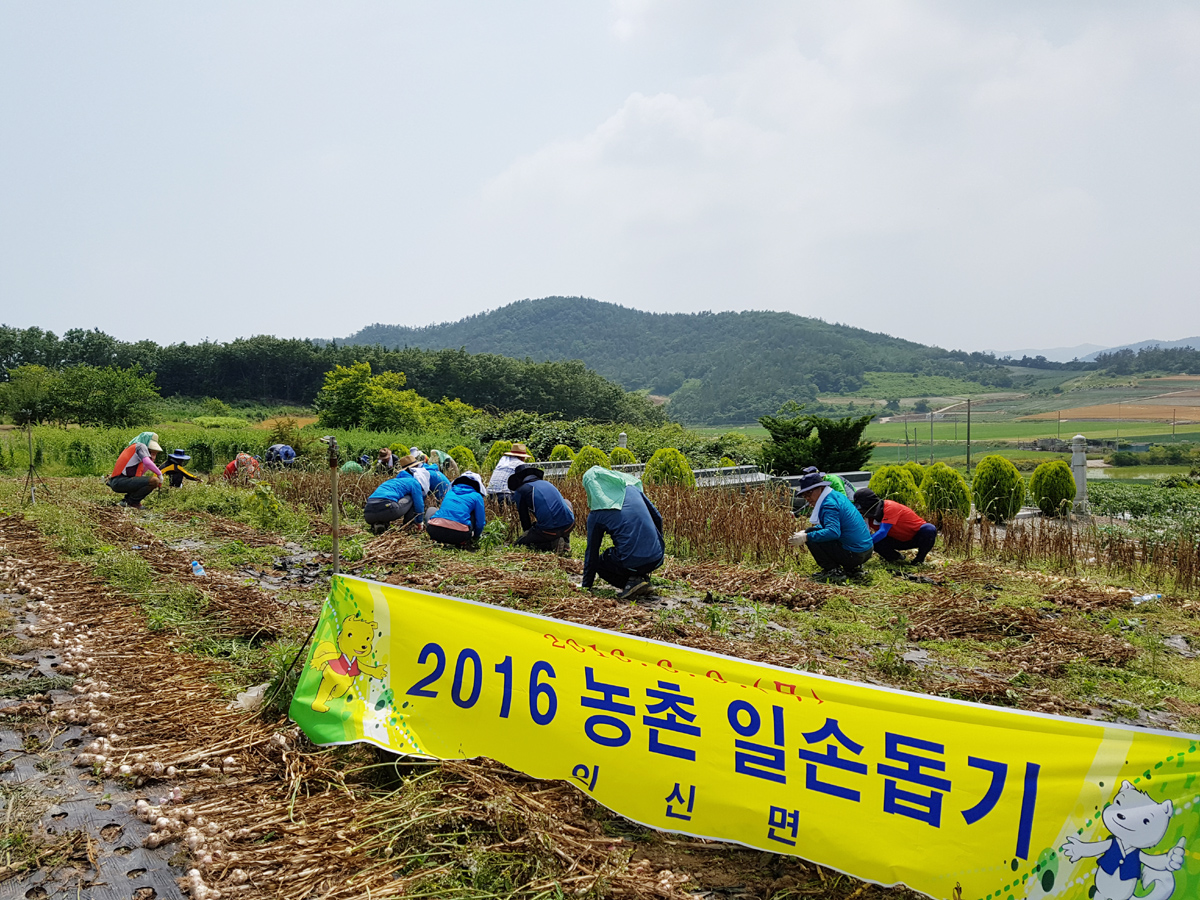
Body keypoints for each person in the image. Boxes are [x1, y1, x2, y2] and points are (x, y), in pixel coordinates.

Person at [581, 466, 664, 600]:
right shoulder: (633, 490)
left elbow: (592, 553)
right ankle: (639, 578)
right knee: (632, 557)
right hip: (657, 558)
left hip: (632, 561)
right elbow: (658, 518)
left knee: (601, 562)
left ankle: (631, 584)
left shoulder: (597, 513)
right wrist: (658, 547)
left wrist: (586, 586)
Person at [788, 470, 874, 584]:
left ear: (820, 488)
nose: (807, 498)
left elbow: (833, 532)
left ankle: (833, 571)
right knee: (812, 532)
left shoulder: (828, 505)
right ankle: (852, 569)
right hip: (866, 550)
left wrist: (806, 536)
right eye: (804, 495)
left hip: (855, 554)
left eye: (809, 493)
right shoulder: (835, 495)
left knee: (812, 535)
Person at [853, 487, 938, 566]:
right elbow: (866, 535)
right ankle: (897, 558)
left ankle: (919, 559)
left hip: (915, 537)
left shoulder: (890, 507)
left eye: (861, 508)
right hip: (896, 540)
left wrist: (862, 545)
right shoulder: (868, 516)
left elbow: (883, 532)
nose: (860, 511)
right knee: (876, 541)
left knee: (929, 529)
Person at [509, 464, 575, 554]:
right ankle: (565, 541)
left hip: (549, 531)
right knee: (566, 502)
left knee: (520, 544)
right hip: (569, 525)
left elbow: (524, 518)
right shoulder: (547, 484)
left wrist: (529, 534)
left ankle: (552, 544)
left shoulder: (521, 491)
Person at [363, 454, 424, 534]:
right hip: (388, 509)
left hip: (368, 513)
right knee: (412, 497)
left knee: (389, 501)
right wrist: (419, 522)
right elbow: (419, 504)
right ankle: (408, 526)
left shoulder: (391, 481)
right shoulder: (413, 482)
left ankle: (380, 524)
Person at [427, 472, 487, 548]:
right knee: (472, 514)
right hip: (460, 535)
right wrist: (476, 537)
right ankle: (462, 542)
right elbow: (480, 523)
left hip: (435, 531)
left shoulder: (450, 492)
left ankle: (435, 539)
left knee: (431, 510)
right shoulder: (477, 496)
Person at [108, 432, 163, 509]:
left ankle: (127, 501)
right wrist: (159, 474)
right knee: (154, 481)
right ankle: (133, 502)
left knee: (145, 480)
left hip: (118, 481)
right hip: (119, 481)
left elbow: (140, 473)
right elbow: (147, 461)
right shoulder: (140, 446)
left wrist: (152, 459)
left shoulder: (134, 449)